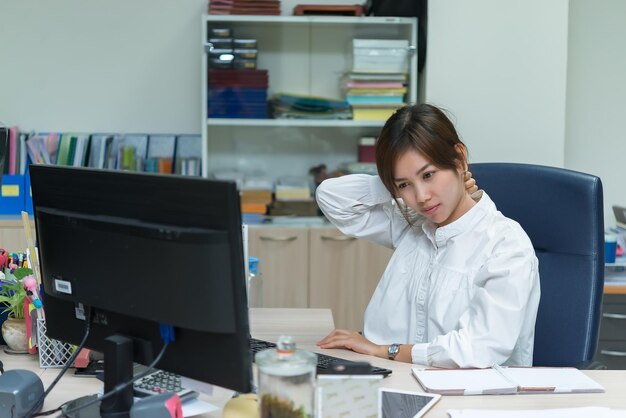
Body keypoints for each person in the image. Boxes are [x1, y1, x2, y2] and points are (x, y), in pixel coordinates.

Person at [315, 104, 540, 368]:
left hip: (469, 400)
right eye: (405, 185)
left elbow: (478, 349)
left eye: (429, 175)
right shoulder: (412, 224)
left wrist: (384, 350)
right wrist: (392, 183)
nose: (421, 197)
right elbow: (331, 198)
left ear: (459, 158)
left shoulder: (506, 244)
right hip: (394, 379)